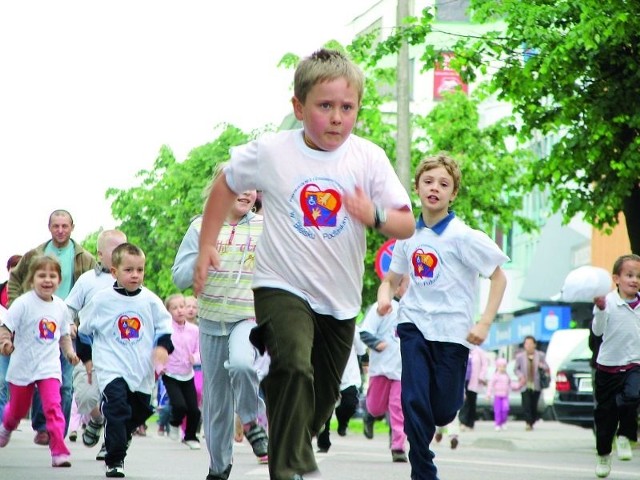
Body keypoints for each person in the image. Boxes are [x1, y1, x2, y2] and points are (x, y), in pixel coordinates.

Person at [193, 48, 415, 480]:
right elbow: (225, 185)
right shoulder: (273, 151)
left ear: (358, 109)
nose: (336, 117)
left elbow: (405, 224)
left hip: (339, 299)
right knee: (293, 364)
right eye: (325, 106)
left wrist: (374, 215)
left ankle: (287, 447)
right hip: (280, 285)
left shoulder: (367, 158)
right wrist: (206, 245)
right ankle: (288, 465)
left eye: (346, 108)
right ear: (299, 107)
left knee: (320, 403)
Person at [376, 153, 508, 480]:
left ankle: (438, 421)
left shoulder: (463, 236)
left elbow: (499, 277)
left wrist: (485, 322)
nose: (435, 188)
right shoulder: (407, 235)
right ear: (417, 188)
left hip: (453, 333)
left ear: (453, 194)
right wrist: (384, 298)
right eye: (429, 181)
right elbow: (391, 279)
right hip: (414, 326)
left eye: (444, 184)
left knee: (445, 408)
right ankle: (423, 471)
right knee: (413, 399)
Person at [173, 181, 270, 478]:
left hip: (247, 317)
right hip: (212, 321)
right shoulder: (201, 227)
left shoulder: (266, 226)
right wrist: (202, 258)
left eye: (251, 187)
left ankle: (252, 421)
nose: (244, 192)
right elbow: (179, 278)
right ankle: (219, 468)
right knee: (216, 407)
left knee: (243, 365)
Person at [77, 242, 174, 478]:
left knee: (141, 410)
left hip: (140, 370)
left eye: (140, 270)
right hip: (110, 368)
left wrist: (162, 347)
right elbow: (83, 332)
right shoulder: (101, 300)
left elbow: (165, 328)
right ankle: (115, 459)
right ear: (114, 272)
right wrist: (88, 360)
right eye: (129, 270)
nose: (135, 275)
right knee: (117, 408)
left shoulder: (151, 301)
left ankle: (119, 431)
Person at [8, 209, 96, 445]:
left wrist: (79, 321)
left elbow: (94, 293)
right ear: (49, 227)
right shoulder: (36, 254)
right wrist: (18, 306)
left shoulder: (84, 259)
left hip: (68, 325)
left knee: (65, 383)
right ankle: (43, 426)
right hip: (38, 326)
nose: (60, 230)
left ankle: (58, 430)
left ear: (72, 227)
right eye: (56, 226)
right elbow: (15, 279)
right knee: (41, 377)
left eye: (64, 226)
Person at [0, 255, 80, 467]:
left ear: (59, 280)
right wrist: (6, 343)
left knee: (54, 407)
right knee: (17, 409)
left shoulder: (61, 307)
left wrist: (70, 354)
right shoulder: (22, 304)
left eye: (52, 276)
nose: (47, 280)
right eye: (41, 275)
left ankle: (58, 451)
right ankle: (6, 426)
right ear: (31, 279)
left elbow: (64, 335)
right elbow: (5, 327)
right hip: (22, 367)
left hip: (49, 368)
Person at [65, 229, 128, 460]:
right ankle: (96, 419)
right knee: (86, 396)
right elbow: (69, 308)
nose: (122, 252)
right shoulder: (88, 280)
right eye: (115, 249)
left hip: (119, 351)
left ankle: (110, 444)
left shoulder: (130, 278)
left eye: (125, 246)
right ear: (100, 254)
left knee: (116, 399)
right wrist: (69, 324)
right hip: (89, 347)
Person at [591, 253, 640, 478]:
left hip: (634, 363)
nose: (634, 280)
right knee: (605, 416)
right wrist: (600, 310)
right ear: (616, 279)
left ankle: (625, 436)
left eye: (638, 276)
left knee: (633, 396)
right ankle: (603, 454)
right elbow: (598, 331)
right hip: (608, 368)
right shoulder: (607, 302)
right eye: (629, 275)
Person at [360, 276, 409, 462]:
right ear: (396, 288)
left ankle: (398, 447)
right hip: (381, 367)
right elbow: (364, 332)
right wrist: (376, 343)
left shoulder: (413, 310)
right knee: (376, 407)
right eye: (405, 286)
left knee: (398, 408)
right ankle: (369, 415)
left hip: (401, 370)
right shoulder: (381, 308)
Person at [316, 326, 366, 453]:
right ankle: (323, 443)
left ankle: (343, 421)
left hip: (348, 373)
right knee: (324, 409)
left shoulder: (351, 325)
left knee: (350, 404)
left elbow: (361, 349)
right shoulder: (318, 321)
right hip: (325, 372)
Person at [161, 293, 201, 449]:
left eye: (182, 306)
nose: (179, 310)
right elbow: (158, 347)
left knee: (194, 411)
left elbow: (200, 351)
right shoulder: (166, 328)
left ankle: (190, 437)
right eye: (174, 308)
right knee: (179, 406)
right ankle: (174, 422)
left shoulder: (194, 330)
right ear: (169, 311)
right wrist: (159, 366)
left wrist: (195, 358)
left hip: (187, 373)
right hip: (170, 373)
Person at [0, 254, 22, 416]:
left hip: (23, 344)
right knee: (1, 381)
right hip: (3, 342)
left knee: (19, 384)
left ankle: (12, 415)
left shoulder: (29, 293)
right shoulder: (1, 289)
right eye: (13, 269)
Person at [514, 335, 549, 431]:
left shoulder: (540, 355)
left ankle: (532, 421)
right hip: (525, 383)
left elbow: (546, 367)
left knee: (534, 404)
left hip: (536, 384)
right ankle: (528, 422)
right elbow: (516, 369)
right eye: (526, 343)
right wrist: (521, 376)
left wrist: (541, 365)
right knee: (526, 404)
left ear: (534, 344)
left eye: (530, 343)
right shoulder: (520, 356)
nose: (528, 345)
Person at [458, 346, 489, 431]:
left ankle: (470, 423)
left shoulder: (479, 351)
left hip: (474, 380)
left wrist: (481, 376)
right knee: (464, 401)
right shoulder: (463, 348)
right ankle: (463, 422)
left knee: (472, 402)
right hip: (463, 380)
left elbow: (485, 364)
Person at [487, 357, 514, 431]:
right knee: (498, 410)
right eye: (500, 366)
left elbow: (511, 384)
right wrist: (488, 394)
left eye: (504, 366)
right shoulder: (495, 376)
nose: (502, 368)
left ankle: (504, 422)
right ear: (497, 367)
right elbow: (490, 385)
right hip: (497, 396)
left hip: (505, 396)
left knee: (505, 409)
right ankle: (497, 423)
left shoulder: (507, 376)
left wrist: (518, 386)